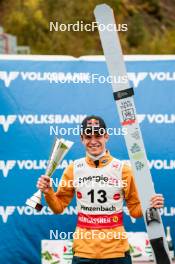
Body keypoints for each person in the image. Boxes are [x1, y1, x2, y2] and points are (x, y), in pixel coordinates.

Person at [37, 115, 164, 264]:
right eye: (88, 136)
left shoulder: (123, 170)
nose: (93, 141)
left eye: (98, 135)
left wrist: (150, 203)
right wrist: (48, 192)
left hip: (116, 252)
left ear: (106, 136)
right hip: (83, 253)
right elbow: (58, 207)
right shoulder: (73, 169)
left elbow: (135, 212)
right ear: (82, 138)